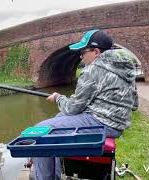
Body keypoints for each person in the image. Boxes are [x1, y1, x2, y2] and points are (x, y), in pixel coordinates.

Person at [32, 29, 138, 180]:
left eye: (82, 52)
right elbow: (134, 105)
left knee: (40, 132)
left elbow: (72, 108)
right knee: (58, 117)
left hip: (102, 122)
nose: (81, 57)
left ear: (96, 52)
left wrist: (58, 98)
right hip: (117, 125)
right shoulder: (126, 69)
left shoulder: (94, 69)